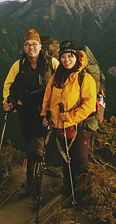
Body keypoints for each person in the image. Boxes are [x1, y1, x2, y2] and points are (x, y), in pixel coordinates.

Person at [2, 29, 60, 202]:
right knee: (29, 148)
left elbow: (62, 83)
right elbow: (9, 84)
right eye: (27, 45)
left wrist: (54, 109)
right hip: (25, 112)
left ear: (40, 46)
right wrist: (8, 102)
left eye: (34, 44)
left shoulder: (52, 63)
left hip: (44, 113)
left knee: (37, 149)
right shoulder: (18, 66)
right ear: (23, 47)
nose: (31, 48)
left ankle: (34, 189)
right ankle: (31, 182)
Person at [41, 40, 96, 207]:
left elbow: (89, 104)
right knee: (66, 158)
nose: (66, 60)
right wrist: (45, 114)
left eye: (70, 56)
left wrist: (71, 116)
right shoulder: (57, 76)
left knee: (80, 159)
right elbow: (48, 97)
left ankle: (82, 193)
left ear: (76, 58)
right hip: (60, 125)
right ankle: (68, 188)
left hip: (79, 125)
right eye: (63, 56)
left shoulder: (84, 78)